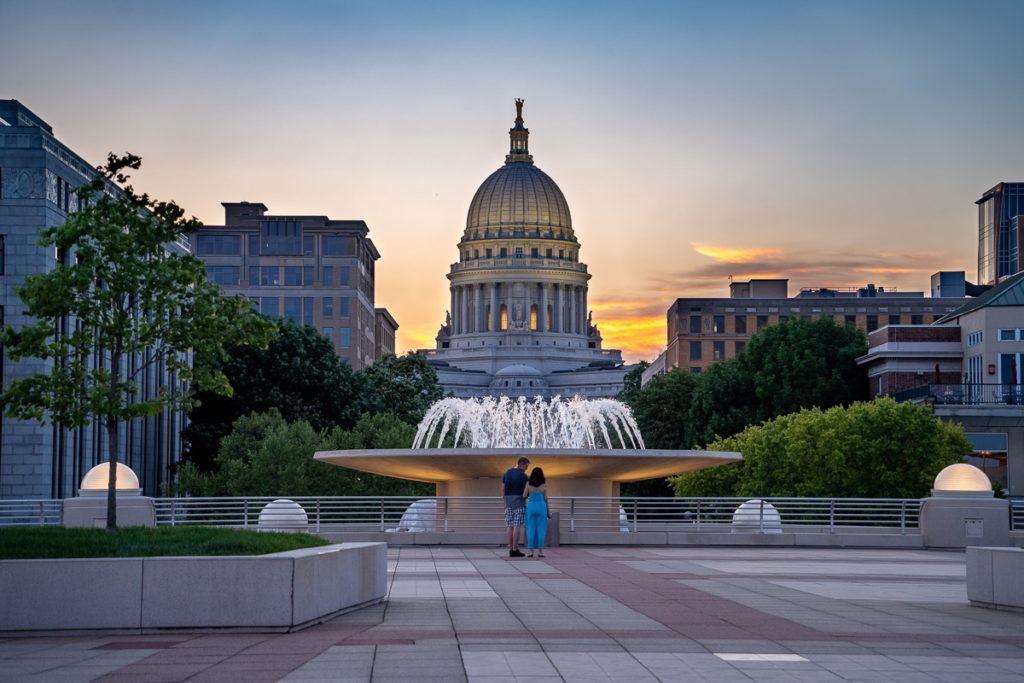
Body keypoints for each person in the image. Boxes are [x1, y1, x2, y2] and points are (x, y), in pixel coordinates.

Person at [501, 456, 529, 557]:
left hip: (508, 501)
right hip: (519, 502)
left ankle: (510, 549)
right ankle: (515, 549)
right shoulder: (524, 476)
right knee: (517, 525)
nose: (527, 468)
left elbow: (503, 488)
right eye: (527, 465)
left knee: (509, 525)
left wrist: (505, 501)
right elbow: (526, 492)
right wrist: (524, 498)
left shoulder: (507, 472)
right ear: (522, 464)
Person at [523, 467, 549, 558]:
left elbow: (524, 495)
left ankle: (530, 552)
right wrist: (548, 511)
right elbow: (546, 498)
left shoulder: (528, 483)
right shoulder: (544, 484)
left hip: (531, 506)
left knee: (530, 529)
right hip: (541, 506)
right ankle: (540, 552)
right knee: (541, 529)